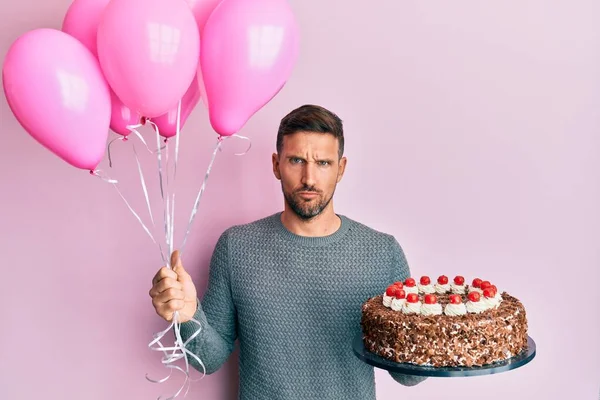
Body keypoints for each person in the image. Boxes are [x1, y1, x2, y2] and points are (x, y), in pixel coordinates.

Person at [149, 104, 427, 399]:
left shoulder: (382, 253)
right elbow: (210, 360)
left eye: (323, 163)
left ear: (341, 169)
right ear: (276, 165)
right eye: (296, 160)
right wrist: (187, 316)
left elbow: (407, 376)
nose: (309, 178)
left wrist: (433, 329)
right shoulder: (237, 247)